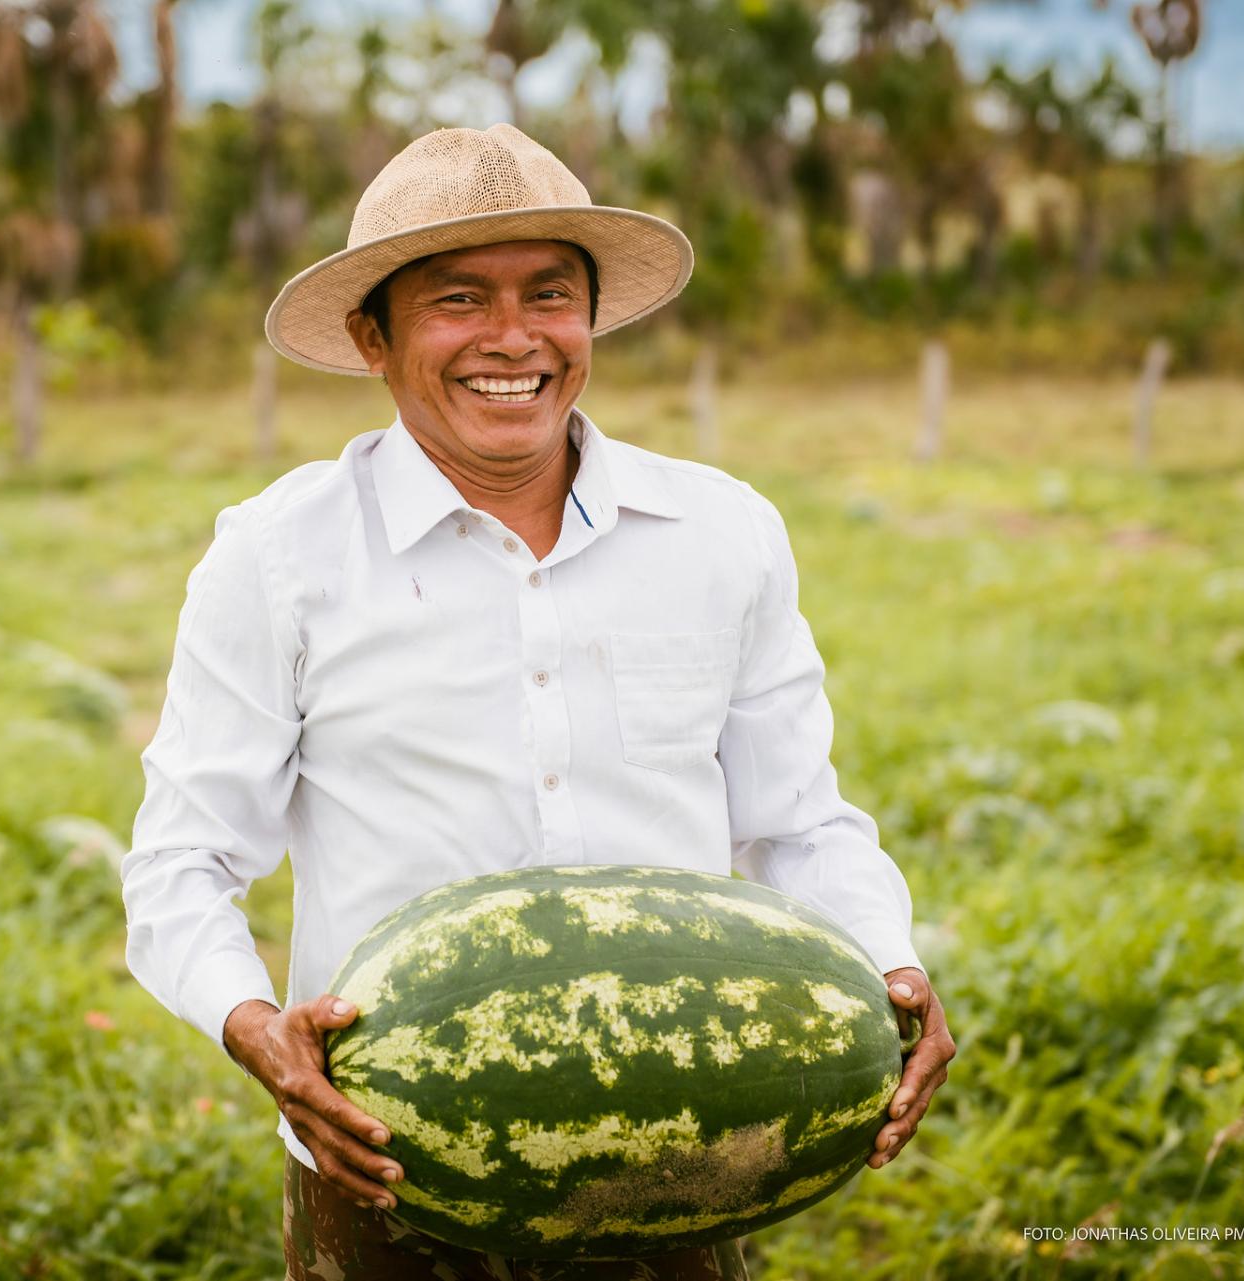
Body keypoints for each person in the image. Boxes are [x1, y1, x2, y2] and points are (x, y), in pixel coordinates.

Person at [120, 123, 955, 1280]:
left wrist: (888, 962)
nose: (513, 339)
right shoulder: (279, 557)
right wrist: (258, 1029)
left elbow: (796, 824)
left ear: (593, 318)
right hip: (391, 1165)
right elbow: (180, 864)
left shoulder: (723, 535)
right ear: (374, 335)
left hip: (685, 1151)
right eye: (458, 299)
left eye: (549, 294)